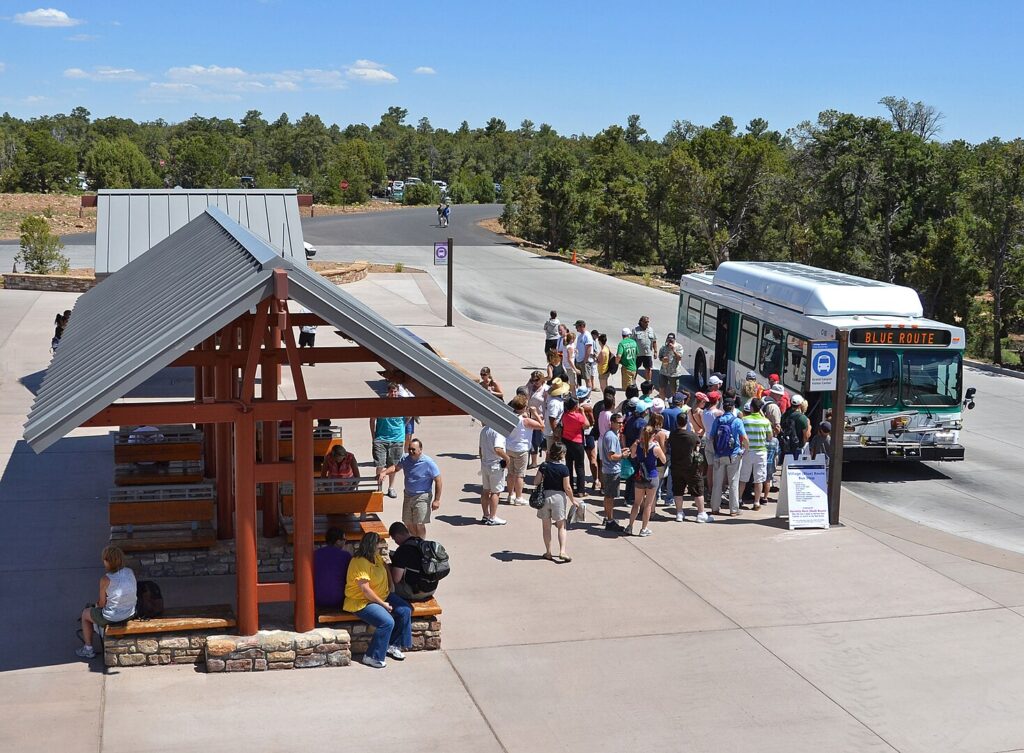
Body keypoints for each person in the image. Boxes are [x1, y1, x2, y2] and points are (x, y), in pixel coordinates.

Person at [344, 532, 412, 668]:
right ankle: (372, 656)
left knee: (405, 610)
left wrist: (391, 583)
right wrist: (382, 604)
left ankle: (392, 645)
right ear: (372, 545)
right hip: (362, 601)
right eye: (377, 545)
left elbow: (385, 566)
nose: (379, 547)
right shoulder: (359, 562)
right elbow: (365, 590)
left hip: (383, 595)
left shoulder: (376, 557)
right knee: (387, 622)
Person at [77, 545, 137, 659]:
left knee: (85, 613)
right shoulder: (129, 572)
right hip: (130, 613)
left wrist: (96, 605)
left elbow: (102, 604)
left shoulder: (105, 579)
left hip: (112, 617)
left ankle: (88, 648)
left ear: (107, 562)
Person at [376, 438, 442, 538]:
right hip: (408, 495)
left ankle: (421, 545)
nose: (411, 451)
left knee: (419, 523)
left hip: (422, 496)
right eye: (410, 449)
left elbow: (438, 480)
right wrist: (384, 472)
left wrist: (436, 500)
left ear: (420, 450)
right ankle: (415, 541)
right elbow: (396, 468)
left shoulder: (428, 463)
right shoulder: (405, 459)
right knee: (408, 522)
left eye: (413, 450)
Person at [532, 442, 580, 562]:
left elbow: (536, 482)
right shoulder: (564, 469)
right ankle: (562, 551)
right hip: (558, 497)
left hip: (545, 497)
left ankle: (548, 552)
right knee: (561, 526)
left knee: (546, 527)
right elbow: (567, 487)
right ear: (562, 454)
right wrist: (572, 500)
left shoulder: (544, 465)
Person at [709, 397, 748, 516]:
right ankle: (734, 510)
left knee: (717, 483)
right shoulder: (737, 421)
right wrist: (745, 450)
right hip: (733, 455)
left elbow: (711, 437)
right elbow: (745, 438)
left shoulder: (718, 420)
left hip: (719, 455)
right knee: (733, 483)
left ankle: (715, 508)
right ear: (733, 407)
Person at [625, 423, 666, 537]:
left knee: (636, 503)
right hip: (652, 476)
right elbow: (663, 460)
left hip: (639, 476)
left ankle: (630, 526)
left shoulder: (637, 445)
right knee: (648, 504)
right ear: (653, 435)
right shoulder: (655, 448)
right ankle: (644, 528)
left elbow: (632, 456)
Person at [370, 382, 408, 499]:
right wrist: (374, 436)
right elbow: (372, 419)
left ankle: (391, 487)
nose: (393, 394)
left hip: (397, 439)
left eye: (395, 391)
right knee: (380, 464)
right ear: (388, 392)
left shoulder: (403, 405)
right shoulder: (380, 404)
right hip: (381, 438)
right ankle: (379, 486)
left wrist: (401, 429)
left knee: (393, 465)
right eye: (391, 391)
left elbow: (409, 417)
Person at [504, 395, 544, 506]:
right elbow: (542, 426)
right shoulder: (525, 421)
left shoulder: (510, 418)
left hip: (509, 447)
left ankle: (510, 495)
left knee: (510, 473)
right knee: (519, 475)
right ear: (525, 406)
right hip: (521, 449)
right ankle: (518, 497)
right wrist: (535, 413)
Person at [669, 409, 707, 522]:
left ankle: (679, 513)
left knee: (678, 490)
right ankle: (701, 513)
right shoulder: (692, 436)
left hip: (676, 466)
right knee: (697, 489)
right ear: (687, 422)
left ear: (677, 422)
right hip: (691, 467)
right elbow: (698, 446)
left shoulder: (673, 434)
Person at [388, 521, 440, 601]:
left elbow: (396, 579)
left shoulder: (402, 550)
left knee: (384, 586)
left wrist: (387, 568)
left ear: (397, 536)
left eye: (394, 539)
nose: (396, 542)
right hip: (432, 589)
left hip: (417, 592)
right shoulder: (420, 542)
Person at [739, 398, 772, 511]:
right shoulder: (766, 421)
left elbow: (741, 435)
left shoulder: (744, 420)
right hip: (761, 452)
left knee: (743, 477)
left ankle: (739, 500)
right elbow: (770, 437)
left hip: (747, 451)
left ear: (752, 408)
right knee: (759, 479)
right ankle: (757, 502)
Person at [600, 412, 627, 531]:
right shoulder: (611, 436)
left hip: (608, 470)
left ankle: (607, 517)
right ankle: (610, 521)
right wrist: (623, 455)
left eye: (622, 422)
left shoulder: (610, 435)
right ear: (612, 423)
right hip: (612, 471)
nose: (621, 425)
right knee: (610, 497)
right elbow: (612, 456)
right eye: (619, 423)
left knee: (608, 496)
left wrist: (620, 451)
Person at [479, 421, 510, 526]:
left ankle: (485, 515)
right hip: (495, 465)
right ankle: (492, 517)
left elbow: (480, 449)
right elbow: (498, 449)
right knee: (495, 492)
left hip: (485, 464)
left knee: (485, 490)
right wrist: (507, 458)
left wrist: (483, 460)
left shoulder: (484, 430)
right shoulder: (498, 432)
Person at [314, 527, 353, 608]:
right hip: (338, 599)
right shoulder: (345, 556)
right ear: (338, 541)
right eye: (344, 539)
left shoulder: (315, 554)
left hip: (316, 597)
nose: (345, 542)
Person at [560, 395, 590, 497]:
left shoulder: (565, 415)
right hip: (577, 443)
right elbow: (587, 424)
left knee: (569, 465)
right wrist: (582, 412)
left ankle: (570, 487)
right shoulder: (578, 416)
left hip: (566, 441)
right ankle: (581, 490)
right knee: (580, 466)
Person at [522, 371, 548, 467]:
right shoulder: (530, 387)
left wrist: (545, 418)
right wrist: (530, 383)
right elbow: (524, 393)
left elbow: (547, 405)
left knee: (542, 441)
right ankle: (534, 462)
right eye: (533, 380)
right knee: (532, 441)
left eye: (537, 380)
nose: (534, 382)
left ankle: (547, 460)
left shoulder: (545, 389)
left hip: (540, 418)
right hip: (530, 417)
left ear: (541, 379)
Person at [780, 394, 812, 460]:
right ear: (800, 405)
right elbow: (806, 436)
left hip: (785, 446)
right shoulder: (802, 418)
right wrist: (802, 445)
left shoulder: (784, 415)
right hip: (797, 448)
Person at [543, 378, 569, 453]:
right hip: (553, 432)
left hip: (552, 430)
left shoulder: (554, 399)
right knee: (554, 454)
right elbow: (552, 418)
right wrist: (556, 433)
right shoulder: (555, 403)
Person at [633, 316, 657, 383]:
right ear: (641, 322)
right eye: (645, 322)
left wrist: (655, 351)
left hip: (647, 353)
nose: (647, 323)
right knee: (635, 368)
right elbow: (632, 341)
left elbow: (654, 341)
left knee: (648, 368)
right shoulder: (635, 330)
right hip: (638, 354)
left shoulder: (651, 330)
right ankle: (633, 382)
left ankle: (648, 382)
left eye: (648, 322)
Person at [574, 320, 596, 390]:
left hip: (584, 362)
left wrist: (585, 360)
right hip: (578, 360)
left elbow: (589, 348)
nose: (576, 328)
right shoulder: (580, 336)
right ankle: (579, 391)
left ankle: (588, 396)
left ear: (582, 326)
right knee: (578, 378)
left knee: (587, 379)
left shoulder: (587, 335)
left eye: (577, 326)